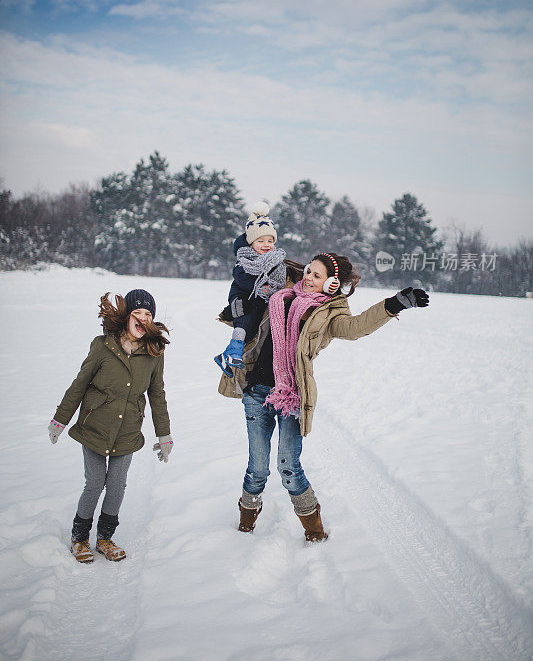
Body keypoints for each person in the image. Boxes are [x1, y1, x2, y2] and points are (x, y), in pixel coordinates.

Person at [218, 253, 429, 542]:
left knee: (288, 467)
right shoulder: (280, 292)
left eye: (317, 276)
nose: (308, 277)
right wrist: (237, 310)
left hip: (291, 396)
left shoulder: (329, 313)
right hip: (256, 392)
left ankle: (314, 532)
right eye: (308, 271)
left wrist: (394, 304)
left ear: (331, 284)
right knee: (257, 467)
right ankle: (245, 524)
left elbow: (357, 328)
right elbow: (248, 300)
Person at [48, 289, 173, 564]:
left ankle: (104, 538)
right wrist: (61, 419)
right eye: (137, 313)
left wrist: (164, 435)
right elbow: (79, 385)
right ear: (125, 316)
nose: (143, 319)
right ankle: (79, 538)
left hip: (127, 430)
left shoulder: (154, 352)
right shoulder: (103, 346)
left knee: (116, 485)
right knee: (94, 482)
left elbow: (157, 395)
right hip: (94, 427)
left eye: (148, 314)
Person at [214, 201, 287, 377]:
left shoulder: (276, 261)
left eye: (270, 240)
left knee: (253, 329)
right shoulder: (245, 261)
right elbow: (242, 279)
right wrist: (262, 287)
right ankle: (233, 352)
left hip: (260, 301)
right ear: (251, 243)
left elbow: (280, 281)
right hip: (242, 297)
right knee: (245, 320)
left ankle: (226, 356)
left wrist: (272, 290)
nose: (266, 244)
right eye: (260, 240)